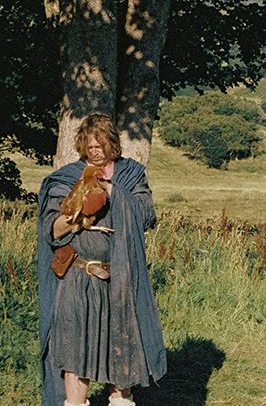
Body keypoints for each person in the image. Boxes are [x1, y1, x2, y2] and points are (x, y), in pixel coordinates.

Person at [36, 114, 167, 406]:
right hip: (78, 278)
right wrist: (77, 217)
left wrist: (111, 191)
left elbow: (146, 215)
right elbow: (51, 230)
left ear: (112, 144)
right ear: (82, 146)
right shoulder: (67, 177)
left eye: (101, 144)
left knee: (122, 355)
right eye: (89, 145)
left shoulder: (130, 174)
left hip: (120, 278)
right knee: (75, 355)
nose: (94, 150)